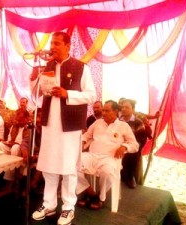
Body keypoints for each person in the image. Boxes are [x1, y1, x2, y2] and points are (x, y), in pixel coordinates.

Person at [30, 31, 96, 225]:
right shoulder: (47, 66)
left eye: (57, 43)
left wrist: (68, 93)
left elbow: (91, 95)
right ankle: (48, 204)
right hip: (50, 124)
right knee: (49, 166)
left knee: (68, 168)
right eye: (52, 43)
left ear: (68, 46)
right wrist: (34, 78)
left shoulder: (81, 67)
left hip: (70, 127)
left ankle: (68, 208)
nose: (53, 47)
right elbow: (37, 94)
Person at [76, 100, 139, 210]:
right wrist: (83, 142)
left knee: (108, 172)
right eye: (103, 110)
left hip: (109, 158)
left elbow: (135, 145)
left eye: (107, 110)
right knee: (71, 165)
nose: (103, 113)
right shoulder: (97, 123)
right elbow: (86, 135)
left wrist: (124, 147)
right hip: (92, 155)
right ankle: (90, 193)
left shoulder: (123, 126)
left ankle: (101, 197)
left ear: (115, 111)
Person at [119, 98, 148, 188]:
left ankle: (130, 178)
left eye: (127, 107)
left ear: (133, 109)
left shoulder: (138, 123)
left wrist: (131, 148)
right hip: (118, 148)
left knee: (132, 155)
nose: (123, 109)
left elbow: (142, 139)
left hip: (131, 151)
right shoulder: (117, 121)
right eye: (122, 107)